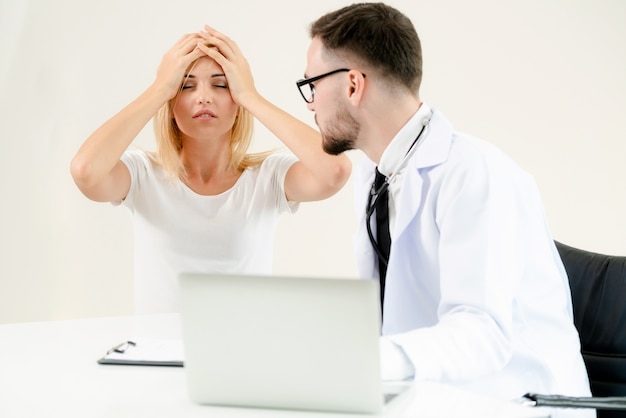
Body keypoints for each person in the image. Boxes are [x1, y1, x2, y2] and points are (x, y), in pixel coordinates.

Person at [298, 3, 592, 416]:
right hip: (431, 396)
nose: (310, 103)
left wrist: (373, 361)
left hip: (520, 401)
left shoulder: (475, 173)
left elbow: (482, 333)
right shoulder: (374, 176)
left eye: (311, 84)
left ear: (352, 86)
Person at [70, 26, 351, 314]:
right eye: (186, 86)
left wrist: (251, 96)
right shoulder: (142, 174)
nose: (203, 98)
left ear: (237, 104)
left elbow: (335, 170)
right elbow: (85, 171)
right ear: (170, 104)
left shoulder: (269, 177)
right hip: (157, 353)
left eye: (220, 85)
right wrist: (159, 88)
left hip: (242, 351)